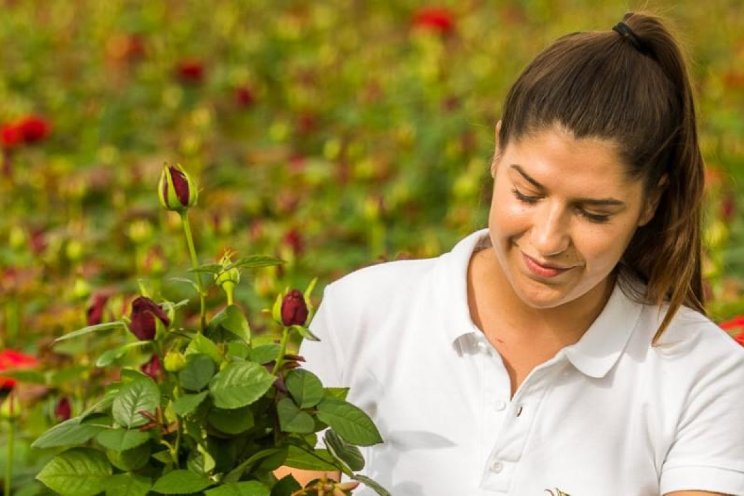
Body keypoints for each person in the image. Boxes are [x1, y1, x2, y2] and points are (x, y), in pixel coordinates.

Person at [284, 11, 744, 496]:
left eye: (593, 213)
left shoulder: (702, 373)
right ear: (498, 149)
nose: (547, 240)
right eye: (527, 194)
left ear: (651, 201)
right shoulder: (362, 315)